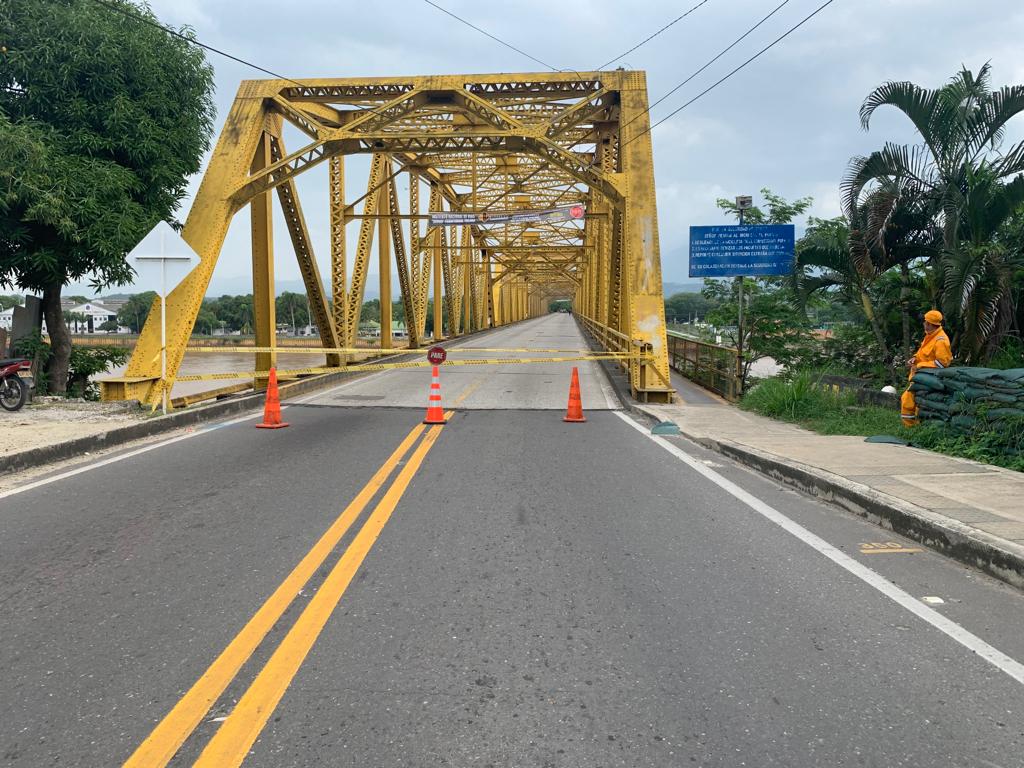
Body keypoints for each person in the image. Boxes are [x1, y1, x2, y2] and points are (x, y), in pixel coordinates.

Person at [900, 309, 952, 427]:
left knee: (908, 400)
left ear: (929, 324)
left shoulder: (940, 341)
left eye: (925, 322)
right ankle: (912, 427)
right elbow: (922, 353)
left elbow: (942, 363)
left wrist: (920, 365)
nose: (924, 324)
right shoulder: (930, 336)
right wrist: (914, 358)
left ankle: (911, 427)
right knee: (912, 401)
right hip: (919, 377)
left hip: (928, 377)